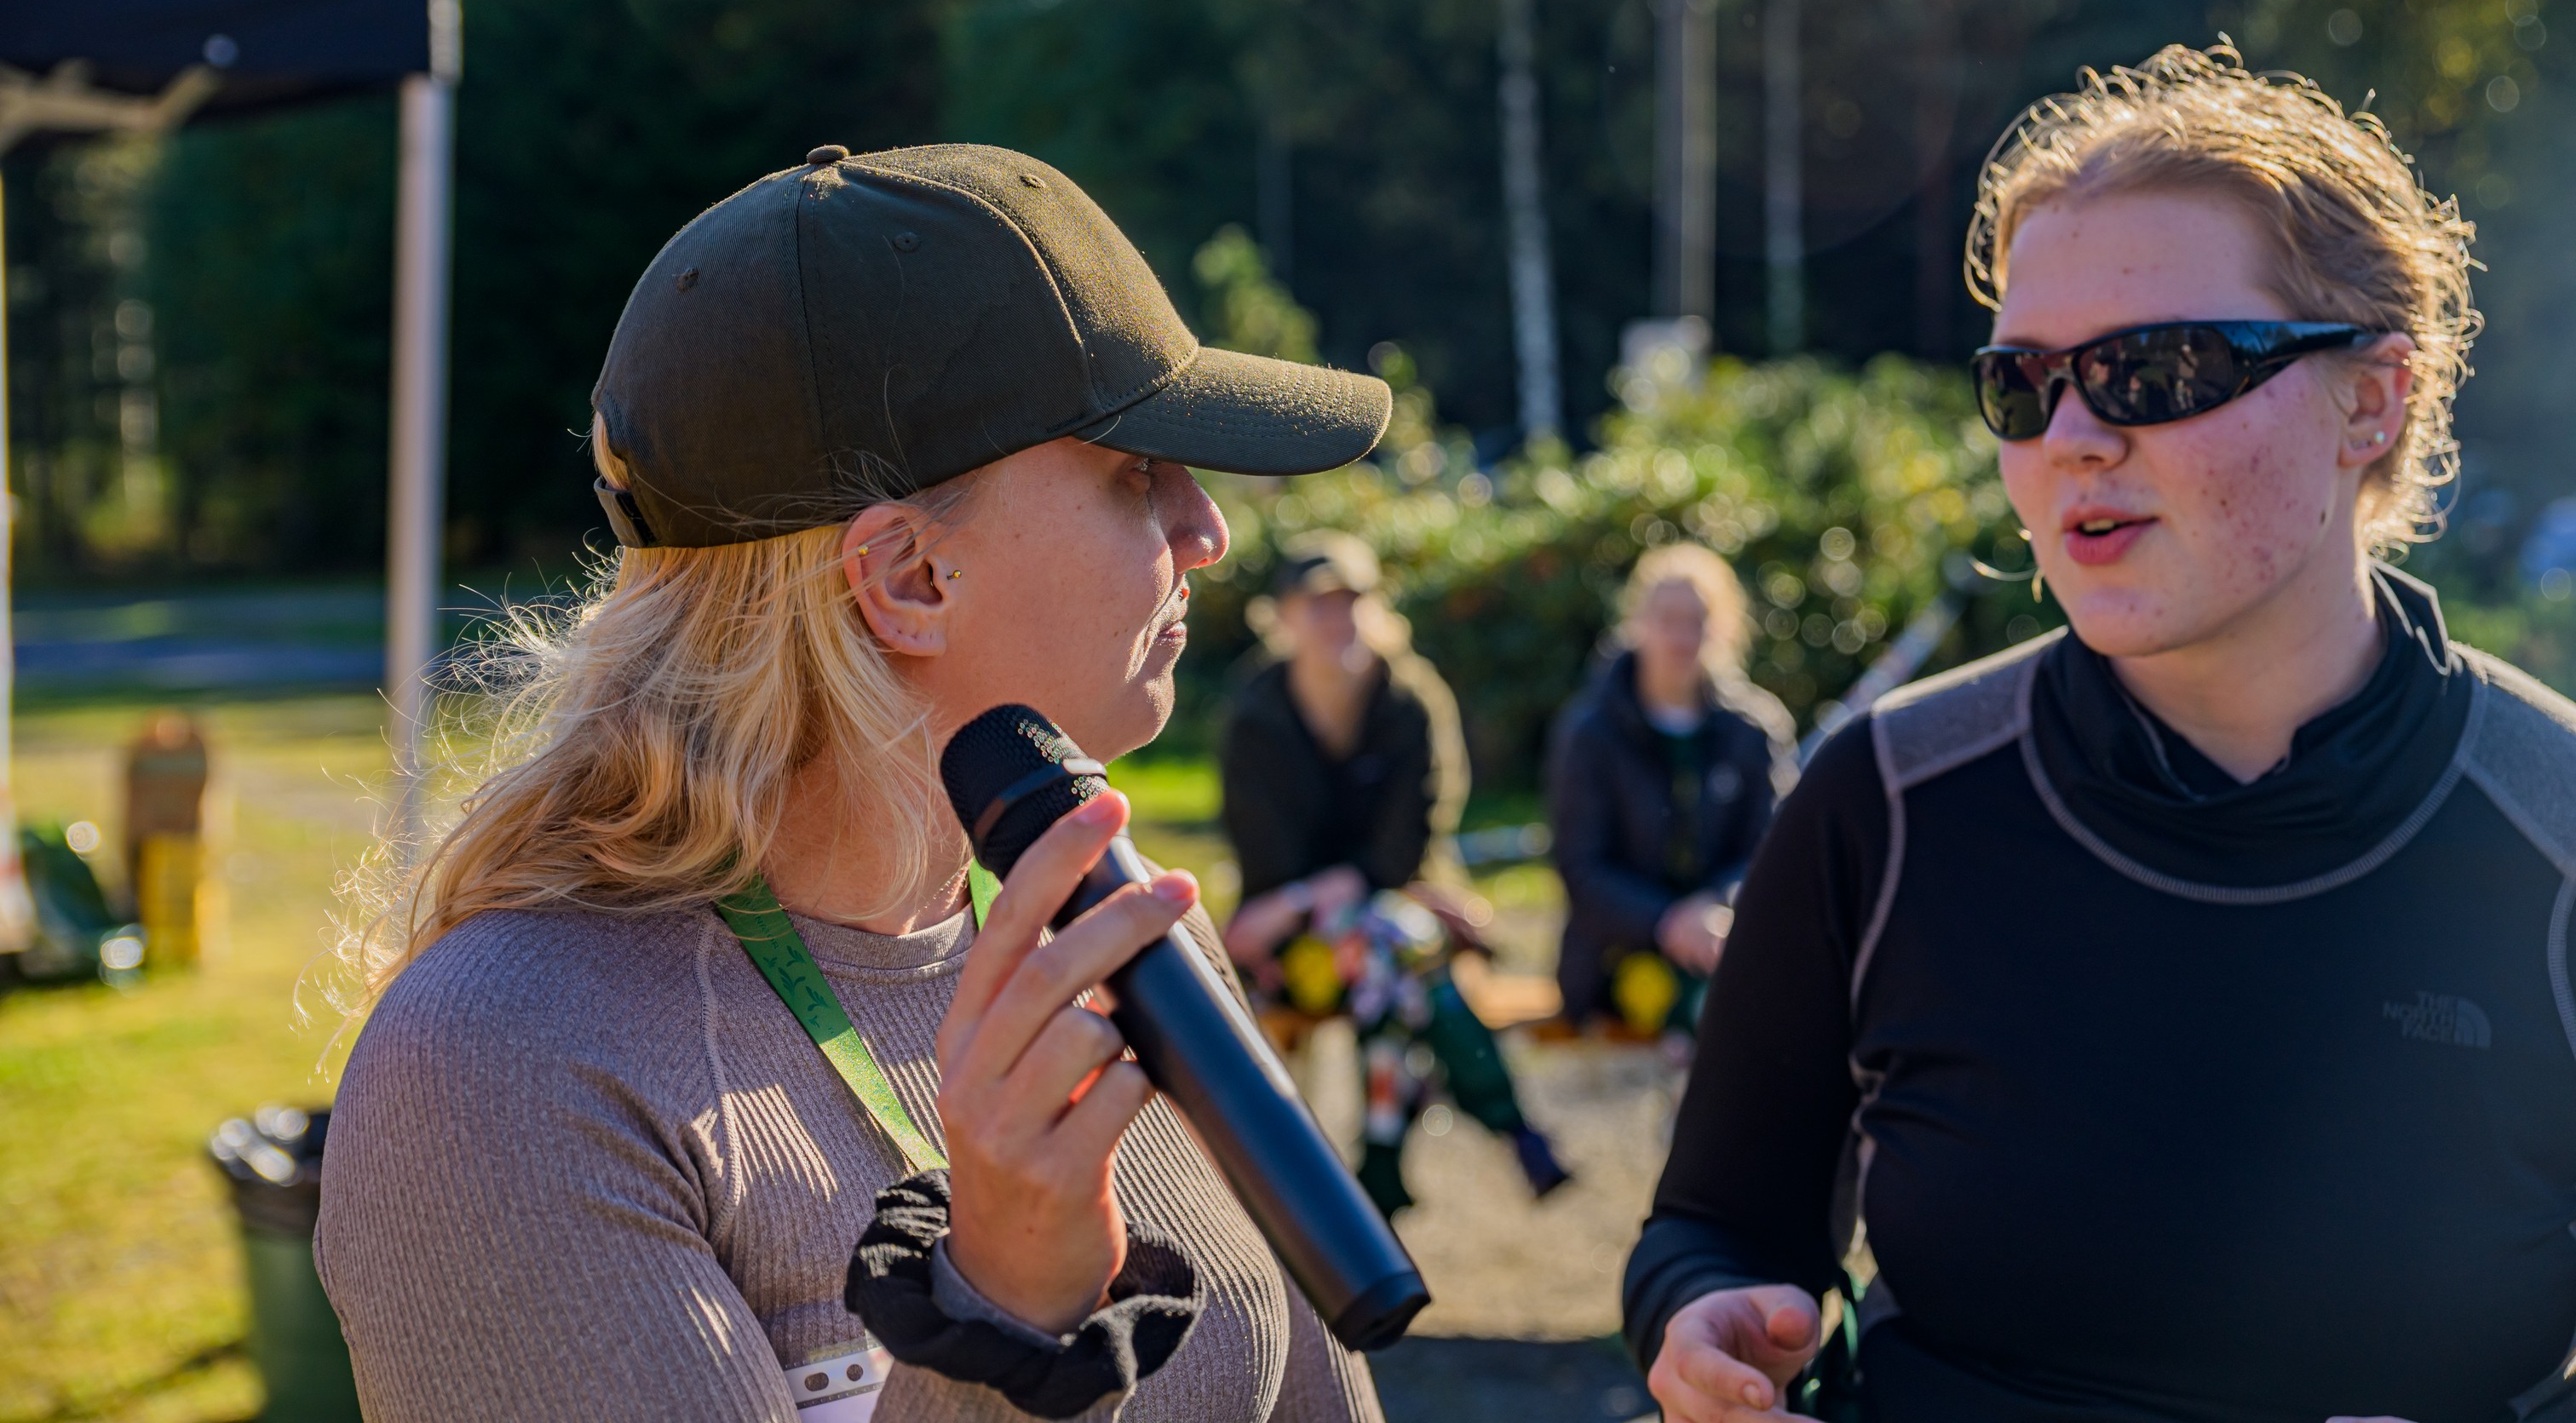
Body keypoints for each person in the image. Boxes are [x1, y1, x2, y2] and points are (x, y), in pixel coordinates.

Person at [316, 143, 1397, 1422]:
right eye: (1136, 472)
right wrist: (1005, 1323)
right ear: (907, 580)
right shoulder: (501, 1065)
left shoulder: (1119, 934)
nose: (1206, 530)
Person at [1626, 43, 2576, 1423]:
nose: (2069, 436)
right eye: (2023, 383)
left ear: (2369, 400)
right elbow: (1716, 1221)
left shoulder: (2550, 823)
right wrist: (1701, 1318)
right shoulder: (1885, 799)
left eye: (2153, 368)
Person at [1218, 531, 1569, 1217]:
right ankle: (1499, 1127)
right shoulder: (1256, 712)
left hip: (1390, 913)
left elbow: (1413, 833)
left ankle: (1380, 1173)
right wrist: (1332, 894)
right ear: (1283, 617)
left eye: (1351, 600)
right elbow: (1265, 850)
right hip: (1302, 941)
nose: (1337, 619)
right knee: (1394, 948)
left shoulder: (1410, 698)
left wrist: (1337, 888)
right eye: (1318, 604)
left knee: (1385, 947)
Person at [1546, 544, 1795, 1037]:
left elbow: (1773, 850)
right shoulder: (1591, 732)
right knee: (1709, 1018)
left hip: (1727, 941)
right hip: (1617, 957)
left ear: (1723, 628)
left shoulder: (1754, 730)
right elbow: (1580, 866)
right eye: (1668, 620)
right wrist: (1667, 921)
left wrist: (1717, 908)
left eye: (1696, 621)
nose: (1682, 637)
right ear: (1637, 624)